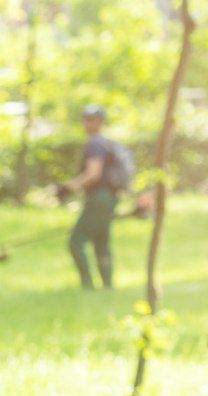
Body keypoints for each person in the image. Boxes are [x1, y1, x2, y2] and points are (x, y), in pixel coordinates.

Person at [68, 104, 129, 289]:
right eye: (85, 119)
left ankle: (88, 285)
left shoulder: (94, 143)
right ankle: (107, 285)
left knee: (76, 241)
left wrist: (69, 187)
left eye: (91, 119)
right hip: (111, 198)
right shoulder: (107, 143)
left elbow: (93, 174)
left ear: (100, 122)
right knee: (101, 242)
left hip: (99, 198)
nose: (87, 123)